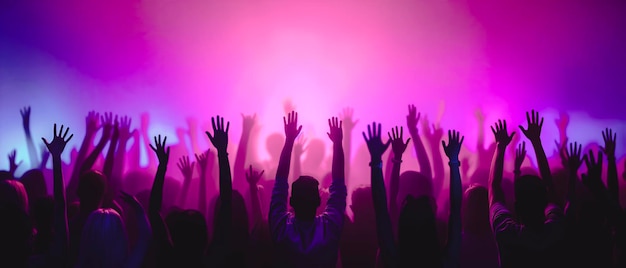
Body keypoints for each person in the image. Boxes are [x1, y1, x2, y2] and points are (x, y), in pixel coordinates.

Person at [269, 112, 347, 267]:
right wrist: (338, 144)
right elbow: (338, 186)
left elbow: (280, 185)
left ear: (291, 201)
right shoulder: (329, 228)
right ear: (319, 201)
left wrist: (289, 141)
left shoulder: (281, 228)